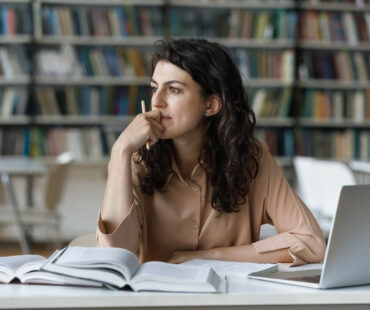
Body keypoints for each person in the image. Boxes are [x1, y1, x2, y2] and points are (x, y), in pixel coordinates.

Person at [97, 39, 326, 266]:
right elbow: (113, 257)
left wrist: (211, 255)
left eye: (174, 89)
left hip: (231, 298)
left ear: (211, 105)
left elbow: (311, 242)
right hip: (160, 299)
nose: (157, 102)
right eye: (155, 88)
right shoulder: (137, 158)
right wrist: (120, 151)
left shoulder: (251, 159)